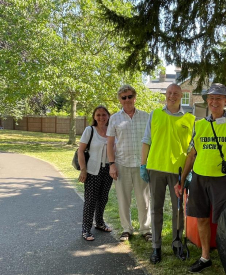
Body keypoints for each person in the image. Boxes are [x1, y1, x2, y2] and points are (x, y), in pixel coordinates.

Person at [174, 83, 226, 273]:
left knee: (224, 221)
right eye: (211, 98)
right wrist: (182, 180)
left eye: (218, 98)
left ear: (225, 101)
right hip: (199, 178)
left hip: (222, 180)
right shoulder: (200, 125)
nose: (214, 101)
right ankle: (205, 257)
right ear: (207, 101)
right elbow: (192, 154)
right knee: (201, 218)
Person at [141, 83, 195, 264]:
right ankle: (156, 247)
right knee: (155, 209)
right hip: (155, 168)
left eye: (176, 93)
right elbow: (146, 141)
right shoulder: (155, 114)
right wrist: (143, 165)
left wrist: (188, 173)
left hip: (178, 173)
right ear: (165, 94)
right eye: (170, 93)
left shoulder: (190, 119)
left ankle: (177, 243)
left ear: (181, 96)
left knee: (178, 209)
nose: (172, 96)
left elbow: (191, 150)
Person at [107, 85, 152, 242]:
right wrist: (112, 164)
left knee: (144, 200)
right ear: (119, 99)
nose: (127, 100)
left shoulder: (146, 117)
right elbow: (110, 143)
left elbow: (151, 142)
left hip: (142, 165)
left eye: (129, 96)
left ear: (135, 97)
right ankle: (126, 229)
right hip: (122, 164)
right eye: (123, 97)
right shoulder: (114, 119)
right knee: (123, 199)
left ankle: (146, 229)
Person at [78, 105, 113, 241]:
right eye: (98, 115)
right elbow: (80, 150)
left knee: (103, 198)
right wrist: (83, 170)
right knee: (91, 200)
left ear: (108, 116)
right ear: (94, 117)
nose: (101, 117)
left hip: (107, 170)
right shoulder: (90, 130)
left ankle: (99, 223)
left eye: (104, 115)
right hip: (92, 171)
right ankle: (86, 229)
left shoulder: (111, 130)